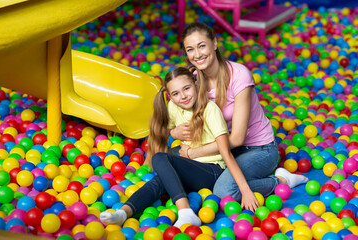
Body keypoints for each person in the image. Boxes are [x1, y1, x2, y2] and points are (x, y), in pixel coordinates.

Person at [169, 22, 308, 209]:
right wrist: (174, 132)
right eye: (190, 49)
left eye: (202, 46)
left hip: (257, 149)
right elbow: (174, 108)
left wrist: (194, 153)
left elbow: (236, 138)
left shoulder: (239, 75)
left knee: (222, 192)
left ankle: (281, 180)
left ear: (215, 44)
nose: (197, 54)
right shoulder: (192, 78)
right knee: (170, 159)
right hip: (223, 151)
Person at [100, 67, 257, 227]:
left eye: (186, 89)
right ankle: (123, 213)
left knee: (161, 158)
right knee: (160, 179)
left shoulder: (210, 110)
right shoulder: (174, 108)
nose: (183, 96)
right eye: (175, 94)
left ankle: (185, 212)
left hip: (212, 170)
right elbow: (160, 132)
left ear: (195, 84)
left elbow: (225, 150)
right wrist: (173, 132)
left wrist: (245, 189)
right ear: (170, 97)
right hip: (189, 165)